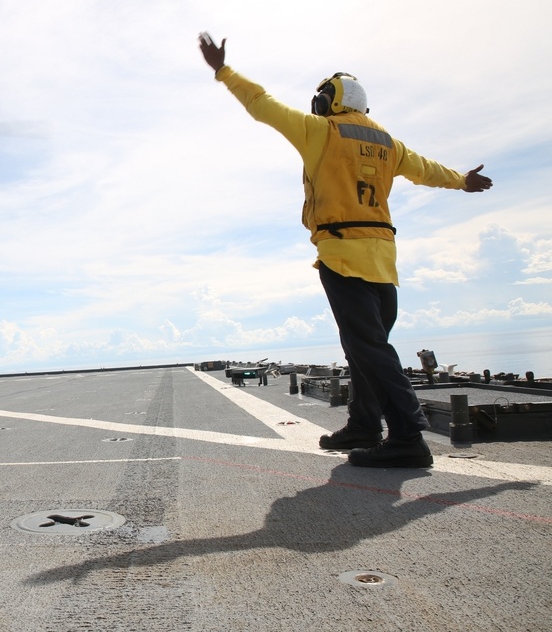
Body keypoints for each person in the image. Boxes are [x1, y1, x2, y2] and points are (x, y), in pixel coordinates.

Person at [198, 34, 492, 468]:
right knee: (365, 347)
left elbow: (261, 104)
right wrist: (462, 181)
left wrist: (223, 71)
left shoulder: (321, 131)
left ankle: (409, 437)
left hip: (342, 253)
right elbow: (428, 170)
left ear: (326, 102)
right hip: (383, 258)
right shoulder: (389, 143)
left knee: (369, 349)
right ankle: (364, 425)